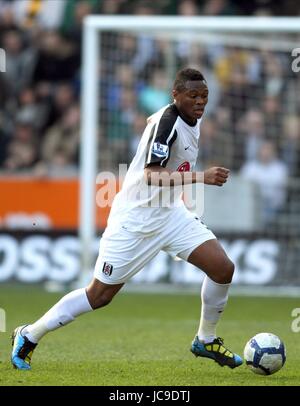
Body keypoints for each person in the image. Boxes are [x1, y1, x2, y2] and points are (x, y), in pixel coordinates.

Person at [11, 68, 243, 370]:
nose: (201, 102)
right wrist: (203, 177)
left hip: (171, 215)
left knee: (222, 268)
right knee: (99, 295)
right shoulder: (169, 123)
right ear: (176, 95)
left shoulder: (183, 118)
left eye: (204, 96)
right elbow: (151, 175)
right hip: (135, 220)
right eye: (193, 96)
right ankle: (29, 334)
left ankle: (206, 339)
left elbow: (152, 122)